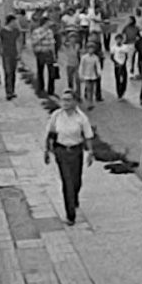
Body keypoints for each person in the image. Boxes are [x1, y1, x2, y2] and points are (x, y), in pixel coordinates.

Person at [43, 89, 95, 225]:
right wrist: (47, 151)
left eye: (68, 100)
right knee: (67, 182)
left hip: (76, 151)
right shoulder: (56, 116)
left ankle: (74, 197)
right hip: (61, 151)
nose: (64, 103)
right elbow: (50, 134)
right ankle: (70, 214)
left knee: (76, 180)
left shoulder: (81, 118)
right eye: (63, 100)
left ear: (75, 102)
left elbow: (88, 135)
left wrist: (90, 152)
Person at [30, 17, 57, 96]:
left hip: (49, 52)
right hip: (41, 52)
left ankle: (51, 90)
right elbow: (34, 42)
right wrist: (43, 35)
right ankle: (40, 88)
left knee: (51, 71)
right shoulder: (36, 31)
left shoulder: (50, 32)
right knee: (40, 71)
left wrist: (54, 54)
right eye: (48, 22)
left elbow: (52, 43)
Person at [0, 15, 21, 101]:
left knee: (13, 73)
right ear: (10, 22)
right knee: (8, 73)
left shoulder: (16, 31)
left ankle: (12, 90)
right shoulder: (2, 31)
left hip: (14, 54)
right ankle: (8, 92)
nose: (15, 23)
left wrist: (19, 53)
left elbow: (18, 42)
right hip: (6, 54)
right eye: (14, 22)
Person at [79, 42, 102, 110]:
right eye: (89, 48)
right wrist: (81, 74)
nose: (91, 50)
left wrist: (99, 73)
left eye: (92, 49)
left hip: (93, 75)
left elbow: (98, 65)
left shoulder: (95, 57)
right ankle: (89, 103)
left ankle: (91, 101)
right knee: (88, 88)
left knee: (92, 89)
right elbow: (81, 66)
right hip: (86, 75)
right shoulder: (84, 57)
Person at [58, 30, 82, 95]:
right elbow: (62, 44)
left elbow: (77, 55)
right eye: (71, 37)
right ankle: (71, 93)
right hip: (69, 64)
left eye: (74, 37)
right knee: (70, 80)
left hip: (77, 64)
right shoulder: (67, 46)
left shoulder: (77, 45)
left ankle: (78, 94)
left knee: (78, 80)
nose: (73, 39)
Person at [110, 33, 130, 99]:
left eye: (120, 39)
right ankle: (119, 93)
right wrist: (116, 63)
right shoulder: (113, 48)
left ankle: (123, 90)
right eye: (117, 39)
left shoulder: (125, 47)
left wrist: (123, 63)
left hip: (123, 65)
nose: (119, 41)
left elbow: (126, 56)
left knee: (124, 79)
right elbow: (112, 57)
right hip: (117, 65)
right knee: (118, 79)